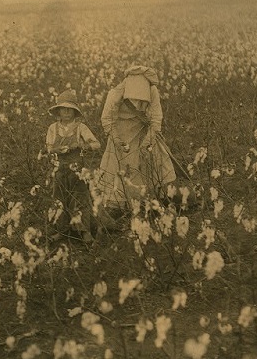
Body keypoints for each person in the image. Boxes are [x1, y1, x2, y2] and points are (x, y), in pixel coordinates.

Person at [96, 65, 177, 219]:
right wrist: (117, 140)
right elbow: (107, 120)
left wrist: (147, 142)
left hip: (143, 132)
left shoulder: (152, 91)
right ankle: (120, 204)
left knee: (150, 165)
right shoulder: (115, 94)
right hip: (121, 132)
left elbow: (156, 120)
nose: (138, 104)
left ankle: (150, 200)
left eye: (142, 100)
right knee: (119, 168)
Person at [45, 89, 101, 244]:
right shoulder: (53, 128)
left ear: (75, 112)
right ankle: (61, 231)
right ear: (58, 111)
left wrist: (82, 145)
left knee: (80, 197)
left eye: (70, 109)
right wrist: (56, 150)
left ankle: (84, 231)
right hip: (59, 169)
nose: (67, 112)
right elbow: (48, 148)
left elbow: (96, 144)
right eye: (63, 109)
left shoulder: (80, 128)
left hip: (77, 170)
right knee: (59, 198)